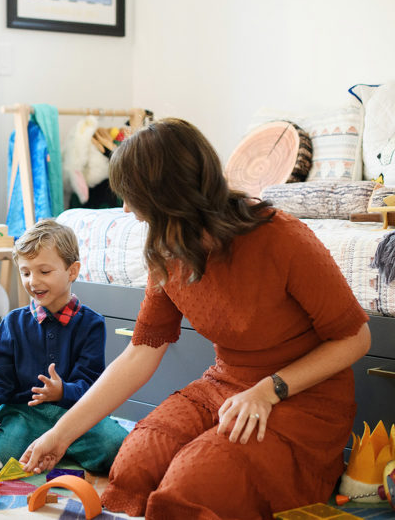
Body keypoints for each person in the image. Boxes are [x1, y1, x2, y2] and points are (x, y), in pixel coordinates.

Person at [20, 118, 372, 519]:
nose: (126, 209)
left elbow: (356, 339)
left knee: (192, 486)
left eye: (133, 196)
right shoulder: (167, 247)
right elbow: (140, 354)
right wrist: (60, 434)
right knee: (135, 465)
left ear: (169, 195)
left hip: (301, 395)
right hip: (226, 384)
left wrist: (268, 390)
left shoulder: (282, 237)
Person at [0, 219, 127, 472]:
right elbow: (0, 381)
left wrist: (63, 391)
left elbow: (92, 385)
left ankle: (56, 446)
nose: (33, 281)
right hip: (24, 414)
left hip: (76, 415)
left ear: (72, 271)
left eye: (44, 271)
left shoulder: (92, 323)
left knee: (116, 447)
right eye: (26, 272)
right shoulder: (12, 322)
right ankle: (10, 438)